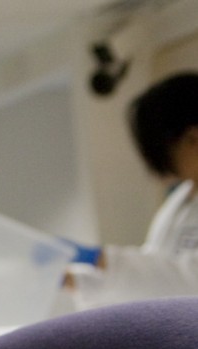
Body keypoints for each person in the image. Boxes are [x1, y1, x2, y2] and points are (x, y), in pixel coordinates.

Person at [67, 71, 198, 307]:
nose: (167, 170)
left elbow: (189, 284)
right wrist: (77, 280)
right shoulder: (181, 199)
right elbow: (154, 278)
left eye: (165, 153)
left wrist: (103, 261)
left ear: (193, 138)